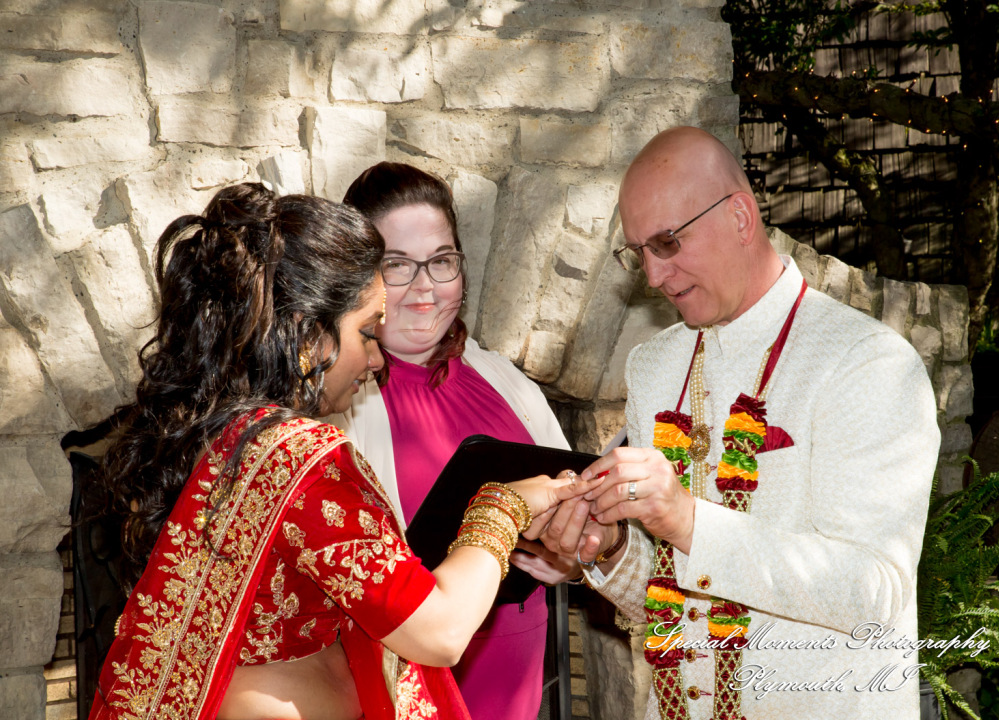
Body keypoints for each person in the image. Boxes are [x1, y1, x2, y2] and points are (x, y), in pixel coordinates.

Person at [88, 183, 594, 720]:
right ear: (309, 335)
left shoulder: (231, 437)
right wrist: (502, 505)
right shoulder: (299, 461)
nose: (376, 358)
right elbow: (441, 631)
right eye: (365, 332)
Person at [539, 127, 941, 719]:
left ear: (741, 217)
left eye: (668, 243)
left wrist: (687, 519)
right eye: (638, 253)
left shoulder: (867, 362)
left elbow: (873, 593)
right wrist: (613, 549)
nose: (652, 276)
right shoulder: (654, 366)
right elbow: (678, 599)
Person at [326, 161, 578, 720]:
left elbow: (572, 502)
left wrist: (569, 557)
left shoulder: (509, 383)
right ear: (359, 277)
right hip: (407, 685)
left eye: (441, 262)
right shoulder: (338, 403)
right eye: (397, 265)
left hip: (515, 681)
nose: (424, 288)